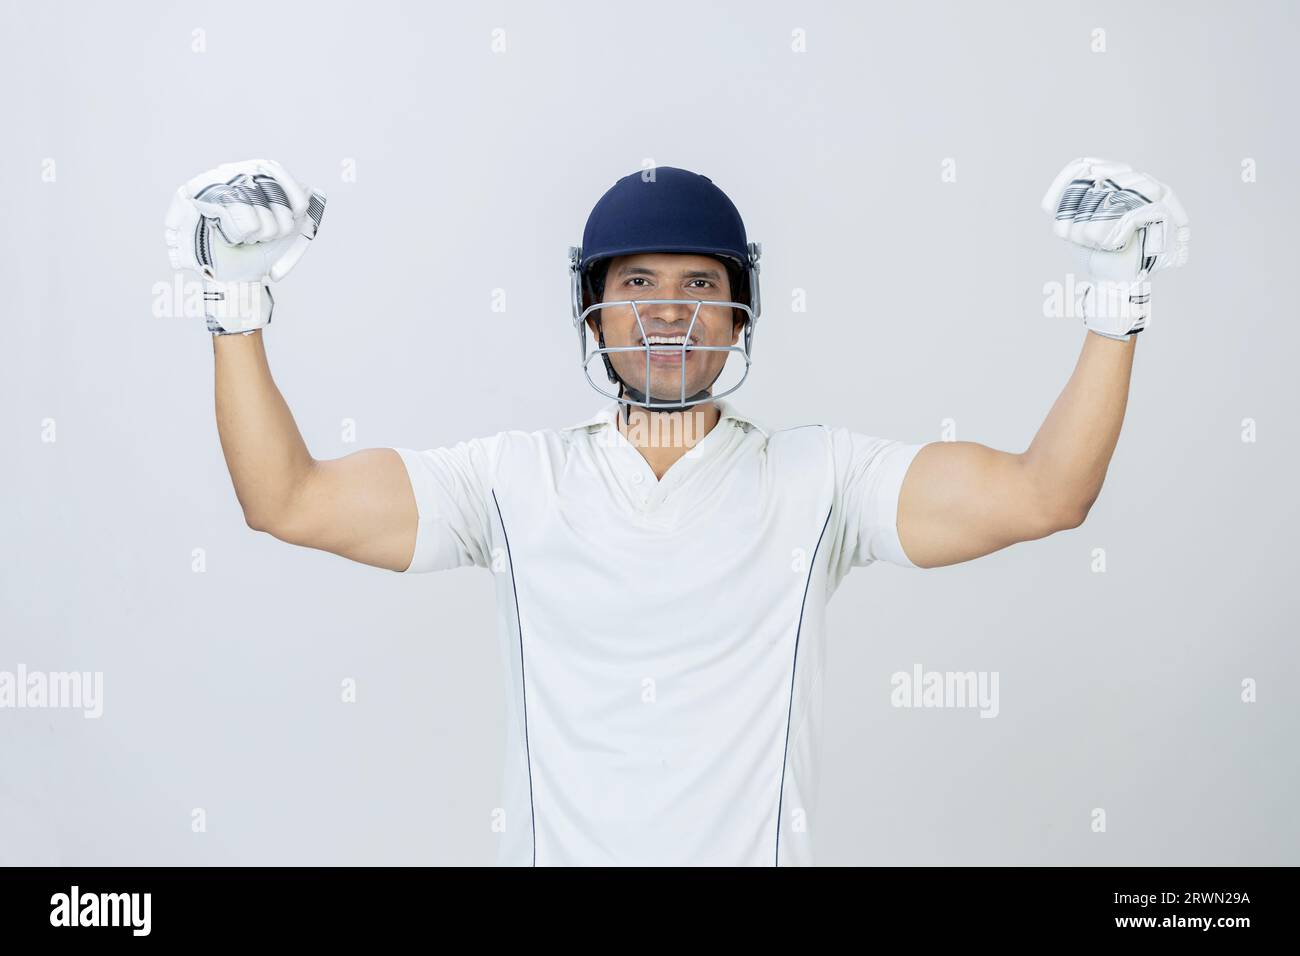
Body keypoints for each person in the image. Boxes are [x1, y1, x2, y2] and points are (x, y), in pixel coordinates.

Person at [163, 158, 1189, 865]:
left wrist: (1112, 304)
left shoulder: (819, 480)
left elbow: (1046, 492)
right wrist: (234, 304)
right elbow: (285, 498)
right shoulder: (511, 483)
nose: (666, 307)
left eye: (700, 281)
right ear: (595, 313)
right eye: (637, 281)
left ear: (738, 311)